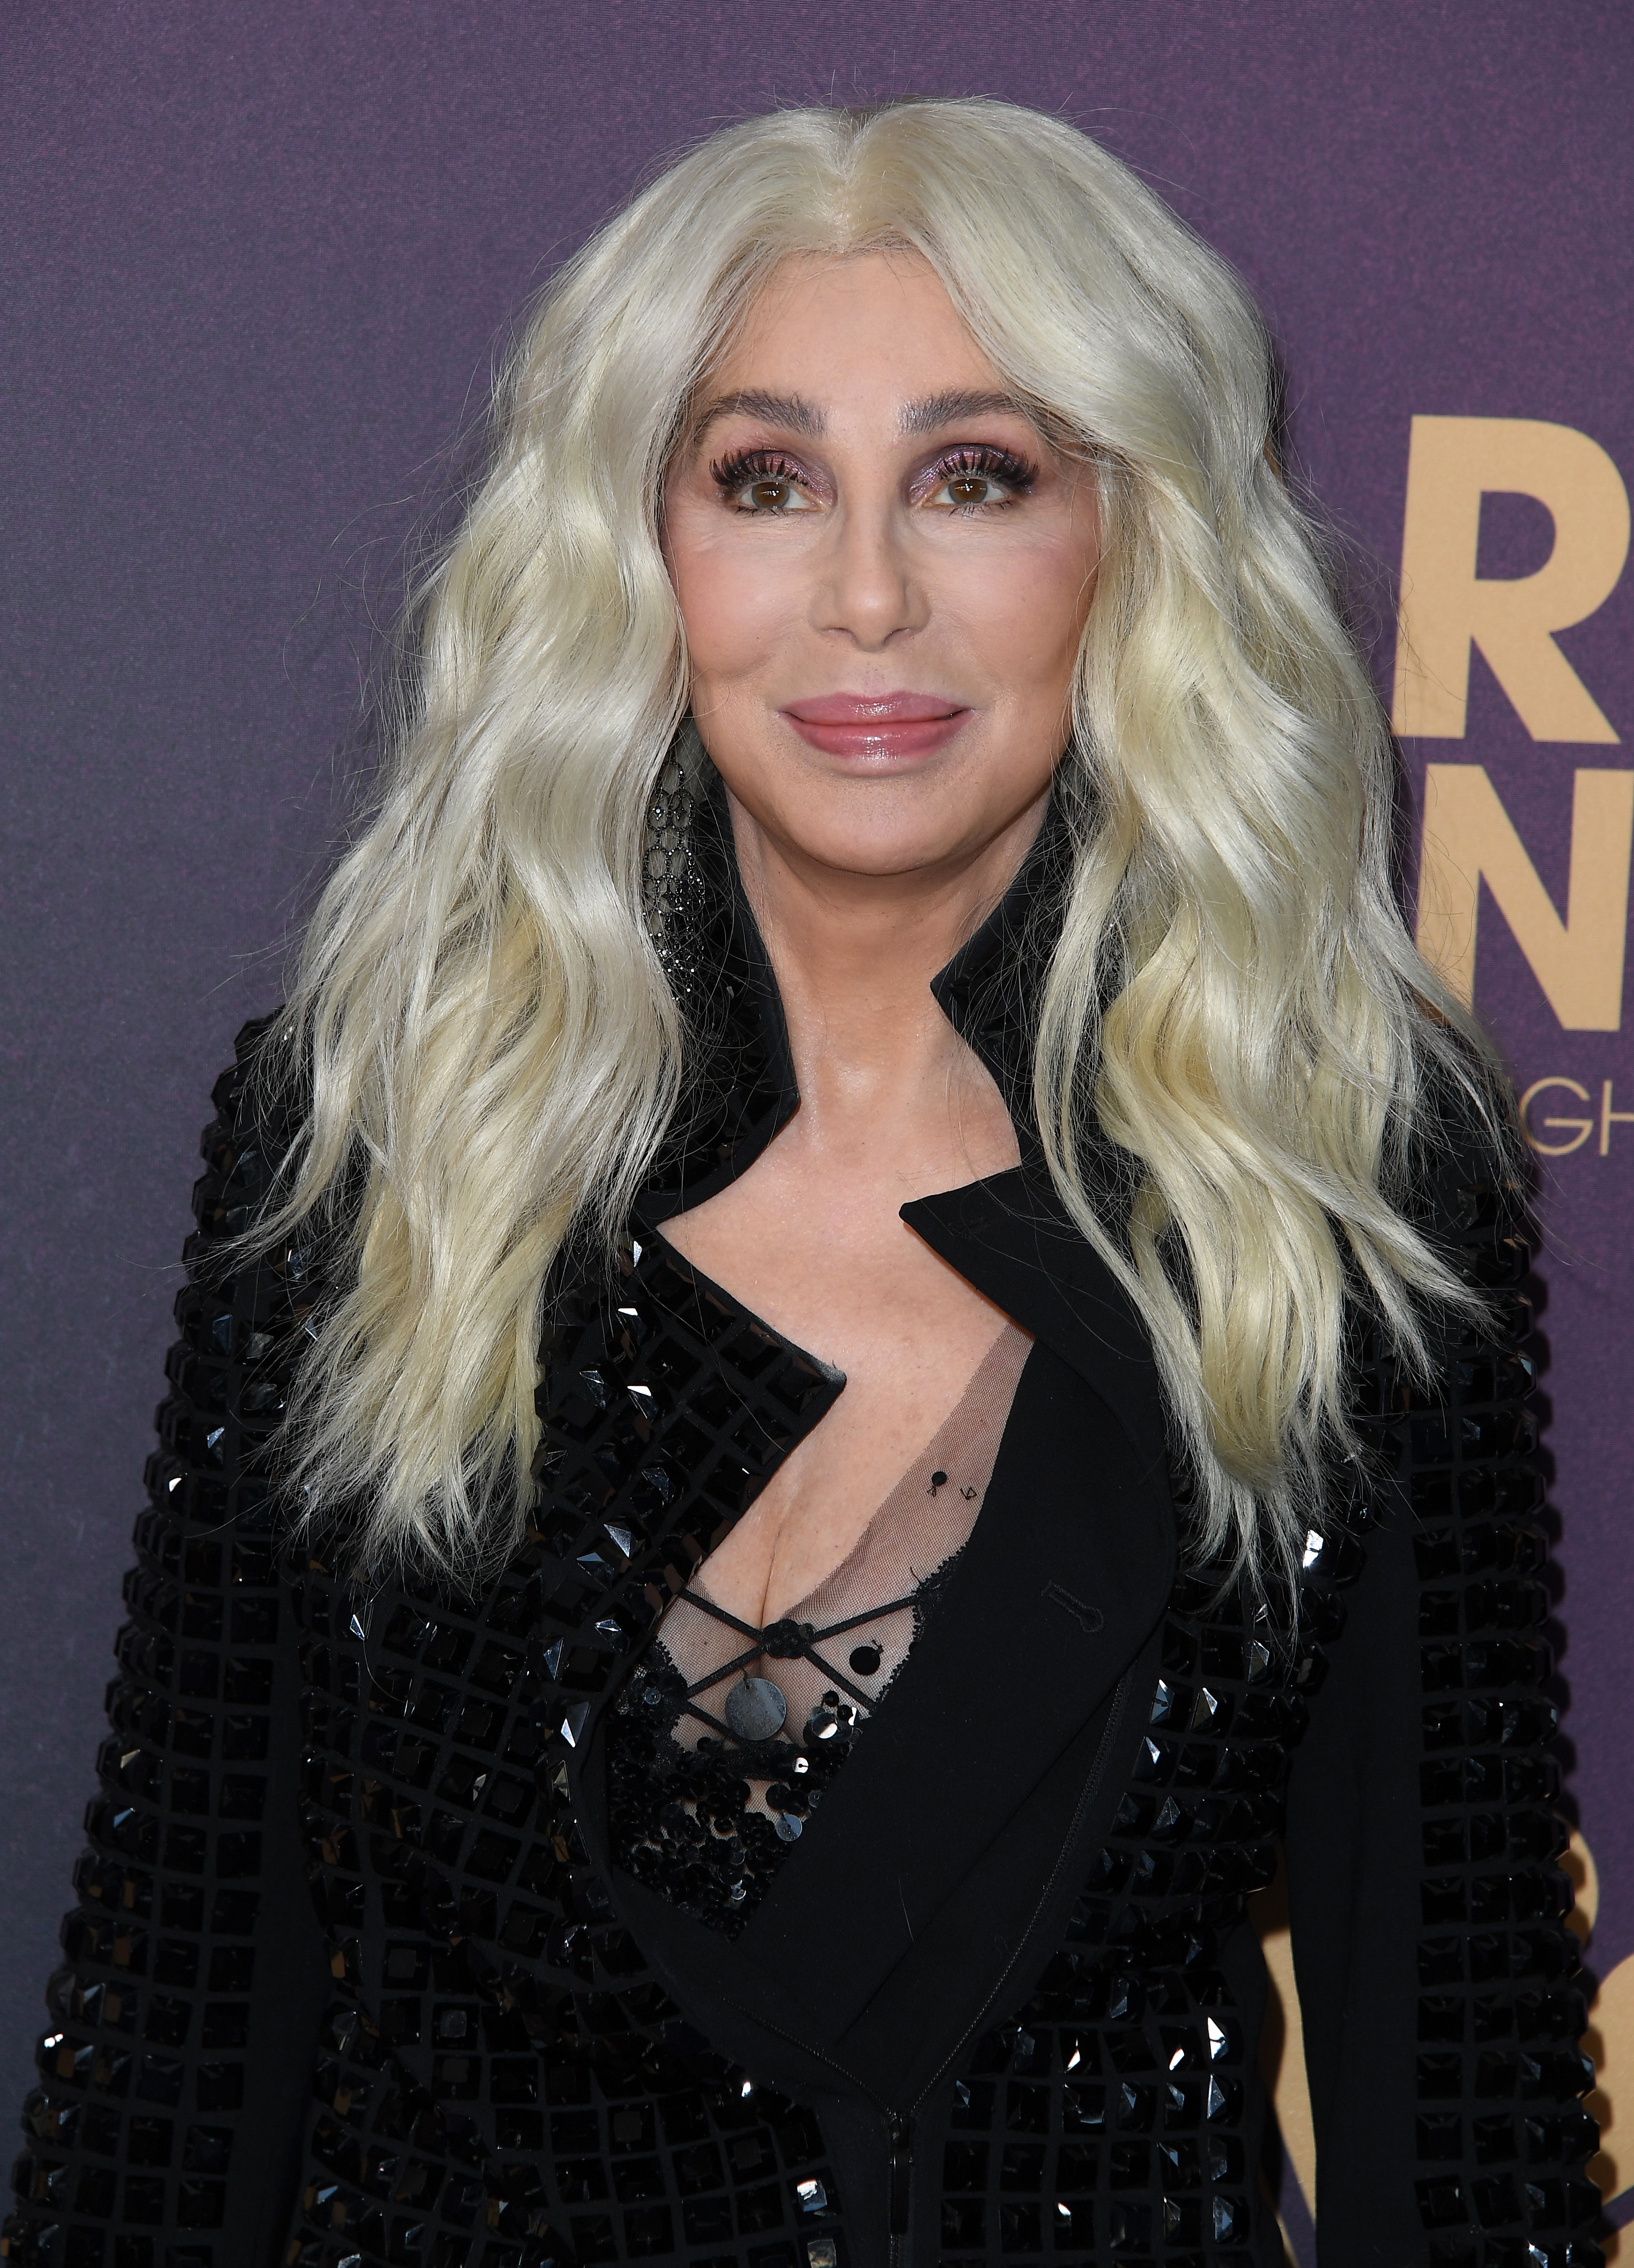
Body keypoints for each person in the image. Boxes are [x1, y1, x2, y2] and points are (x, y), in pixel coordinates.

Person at [1, 96, 1601, 2268]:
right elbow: (183, 2045)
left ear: (1124, 548)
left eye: (977, 477)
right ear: (637, 551)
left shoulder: (1331, 1173)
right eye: (766, 481)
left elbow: (1461, 2072)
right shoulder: (376, 1142)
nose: (866, 595)